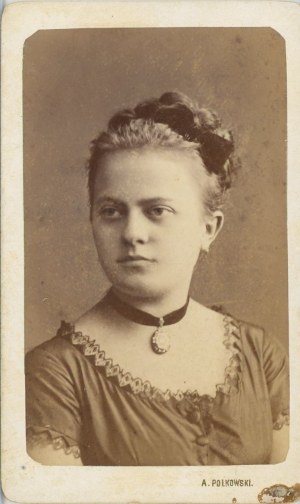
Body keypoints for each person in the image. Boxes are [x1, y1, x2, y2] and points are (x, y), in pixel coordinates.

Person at [25, 91, 289, 466]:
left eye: (157, 210)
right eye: (112, 211)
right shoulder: (54, 374)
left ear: (208, 229)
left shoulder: (260, 355)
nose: (132, 233)